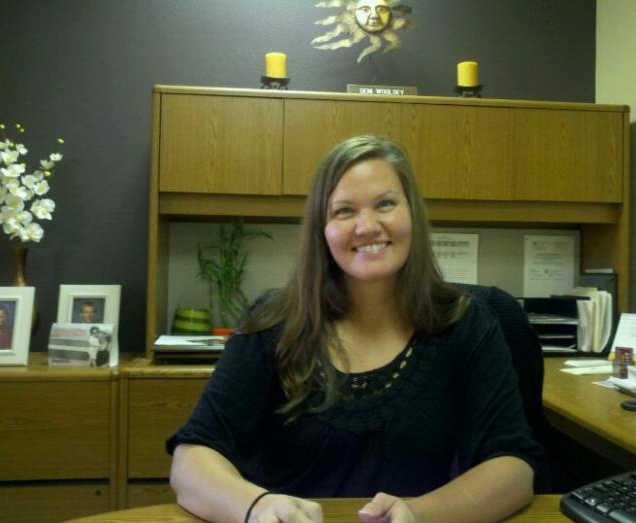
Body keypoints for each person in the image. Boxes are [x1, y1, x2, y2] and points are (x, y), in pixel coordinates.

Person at [167, 135, 543, 523]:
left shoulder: (466, 324)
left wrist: (417, 514)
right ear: (322, 228)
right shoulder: (275, 322)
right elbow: (191, 459)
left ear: (412, 213)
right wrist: (257, 507)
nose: (367, 226)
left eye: (385, 204)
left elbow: (513, 469)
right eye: (344, 211)